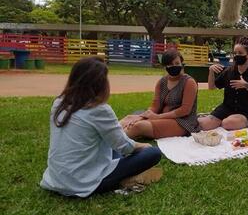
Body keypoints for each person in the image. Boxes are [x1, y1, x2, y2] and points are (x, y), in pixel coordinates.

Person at [40, 57, 161, 197]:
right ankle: (122, 176)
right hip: (81, 183)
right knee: (153, 153)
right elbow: (124, 146)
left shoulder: (59, 103)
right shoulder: (99, 109)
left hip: (56, 179)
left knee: (111, 145)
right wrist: (144, 146)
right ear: (100, 84)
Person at [124, 49, 200, 139]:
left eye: (177, 63)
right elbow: (155, 106)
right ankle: (108, 134)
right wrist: (142, 117)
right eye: (171, 64)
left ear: (181, 64)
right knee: (128, 119)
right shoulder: (162, 82)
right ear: (165, 66)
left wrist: (157, 117)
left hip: (183, 122)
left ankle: (112, 142)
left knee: (138, 126)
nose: (174, 66)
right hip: (162, 117)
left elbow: (185, 110)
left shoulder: (189, 82)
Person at [198, 36, 248, 130]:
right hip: (227, 108)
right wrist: (211, 71)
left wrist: (247, 86)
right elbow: (211, 87)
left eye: (240, 53)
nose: (237, 55)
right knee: (203, 124)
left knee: (227, 123)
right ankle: (211, 118)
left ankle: (221, 121)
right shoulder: (229, 71)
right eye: (235, 53)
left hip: (246, 112)